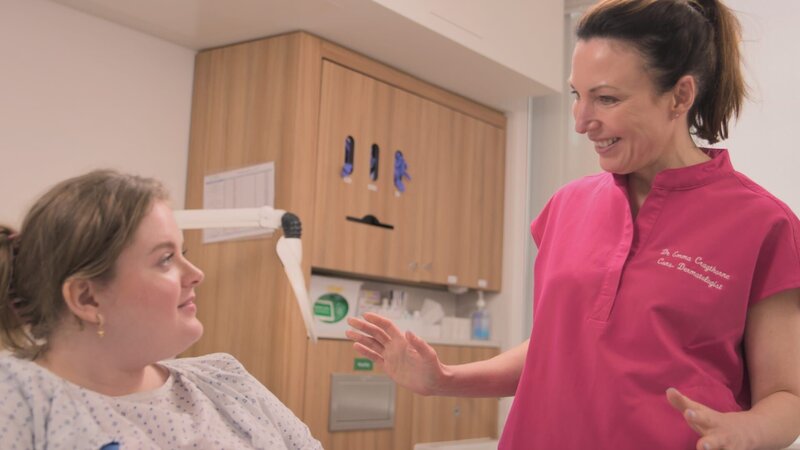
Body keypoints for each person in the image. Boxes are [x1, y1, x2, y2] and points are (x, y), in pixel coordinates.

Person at [346, 0, 800, 449]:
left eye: (606, 98)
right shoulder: (567, 206)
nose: (582, 122)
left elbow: (787, 396)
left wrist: (744, 432)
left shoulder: (763, 223)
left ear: (680, 96)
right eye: (576, 96)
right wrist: (443, 379)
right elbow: (557, 347)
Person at [0, 170, 322, 449]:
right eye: (166, 259)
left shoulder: (226, 381)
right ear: (87, 299)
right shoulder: (19, 398)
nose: (196, 274)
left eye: (183, 253)